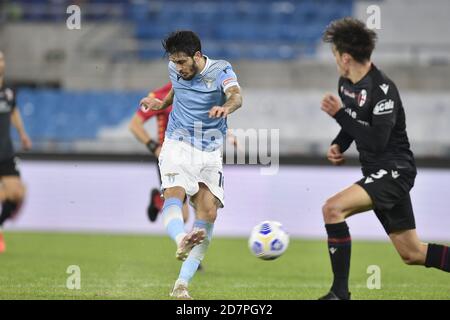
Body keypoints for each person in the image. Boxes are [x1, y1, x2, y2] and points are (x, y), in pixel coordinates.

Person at [318, 18, 449, 300]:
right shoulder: (346, 84)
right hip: (379, 172)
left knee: (332, 209)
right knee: (412, 253)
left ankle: (339, 293)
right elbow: (354, 122)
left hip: (396, 170)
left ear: (345, 57)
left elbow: (377, 141)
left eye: (335, 56)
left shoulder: (382, 90)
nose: (336, 62)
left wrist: (338, 114)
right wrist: (339, 143)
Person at [140, 30, 242, 299]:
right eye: (174, 62)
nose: (178, 68)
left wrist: (226, 108)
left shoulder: (221, 70)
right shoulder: (175, 70)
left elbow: (236, 96)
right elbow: (177, 88)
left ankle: (181, 285)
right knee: (174, 193)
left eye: (183, 62)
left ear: (197, 56)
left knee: (208, 214)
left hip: (210, 150)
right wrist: (161, 103)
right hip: (177, 143)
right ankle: (180, 240)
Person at [129, 82, 190, 223]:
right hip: (169, 158)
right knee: (180, 215)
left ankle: (158, 200)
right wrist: (155, 147)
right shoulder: (160, 96)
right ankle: (160, 200)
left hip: (190, 156)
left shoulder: (195, 93)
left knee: (184, 217)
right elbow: (134, 125)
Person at [0, 50, 32, 253]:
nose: (0, 63)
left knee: (17, 193)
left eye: (2, 59)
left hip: (5, 151)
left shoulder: (9, 91)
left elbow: (13, 111)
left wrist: (22, 134)